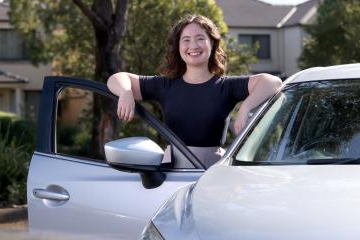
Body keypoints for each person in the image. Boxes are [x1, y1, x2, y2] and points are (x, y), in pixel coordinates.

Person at [107, 15, 282, 168]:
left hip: (212, 175)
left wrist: (246, 107)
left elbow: (273, 81)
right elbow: (116, 78)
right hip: (171, 174)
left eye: (200, 38)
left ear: (212, 43)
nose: (193, 45)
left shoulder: (226, 87)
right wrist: (126, 92)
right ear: (178, 46)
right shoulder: (165, 86)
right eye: (186, 40)